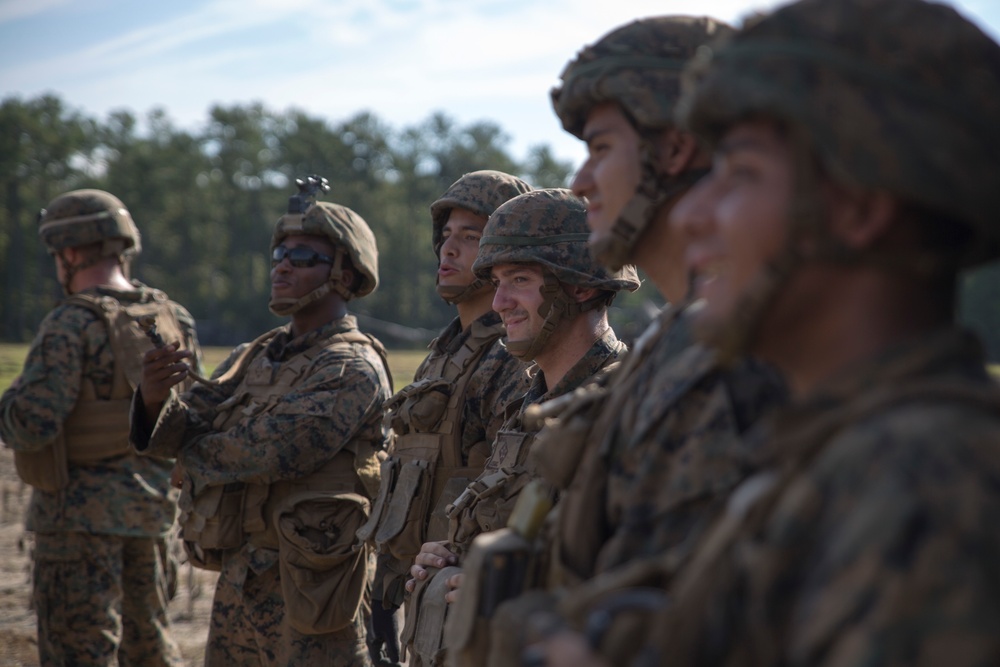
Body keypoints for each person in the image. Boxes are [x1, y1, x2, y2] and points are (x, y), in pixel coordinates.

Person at [551, 0, 1000, 664]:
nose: (697, 211)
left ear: (858, 208)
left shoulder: (923, 482)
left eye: (741, 173)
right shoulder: (838, 453)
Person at [473, 17, 785, 667]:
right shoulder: (666, 352)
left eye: (601, 148)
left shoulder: (748, 362)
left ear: (673, 150)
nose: (582, 180)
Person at [131, 177, 393, 666]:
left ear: (346, 275)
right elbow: (188, 426)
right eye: (279, 255)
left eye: (304, 257)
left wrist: (195, 452)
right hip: (242, 576)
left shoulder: (351, 366)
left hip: (316, 584)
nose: (284, 266)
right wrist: (152, 399)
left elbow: (275, 449)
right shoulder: (256, 355)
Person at [401, 188, 640, 666]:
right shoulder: (530, 402)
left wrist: (519, 584)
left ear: (581, 286)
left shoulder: (625, 406)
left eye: (519, 280)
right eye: (495, 282)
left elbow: (644, 571)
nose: (500, 301)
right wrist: (450, 555)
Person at [0, 189, 202, 666]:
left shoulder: (70, 323)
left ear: (69, 252)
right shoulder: (174, 319)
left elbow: (30, 425)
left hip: (76, 527)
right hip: (153, 520)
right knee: (150, 649)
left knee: (78, 654)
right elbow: (196, 415)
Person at [359, 170, 532, 666]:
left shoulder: (513, 359)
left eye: (470, 238)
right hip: (423, 596)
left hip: (467, 602)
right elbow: (412, 480)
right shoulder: (444, 353)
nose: (448, 251)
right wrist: (384, 592)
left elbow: (508, 495)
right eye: (446, 237)